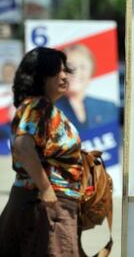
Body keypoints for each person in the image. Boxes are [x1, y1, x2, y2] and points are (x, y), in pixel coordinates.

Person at [0, 47, 83, 256]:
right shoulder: (38, 107)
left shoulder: (44, 108)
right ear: (40, 76)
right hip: (44, 205)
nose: (64, 76)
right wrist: (46, 190)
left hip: (42, 202)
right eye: (57, 71)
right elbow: (22, 145)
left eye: (65, 70)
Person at [55, 43, 118, 133]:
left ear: (91, 73)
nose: (76, 72)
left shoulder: (108, 108)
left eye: (82, 67)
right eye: (69, 66)